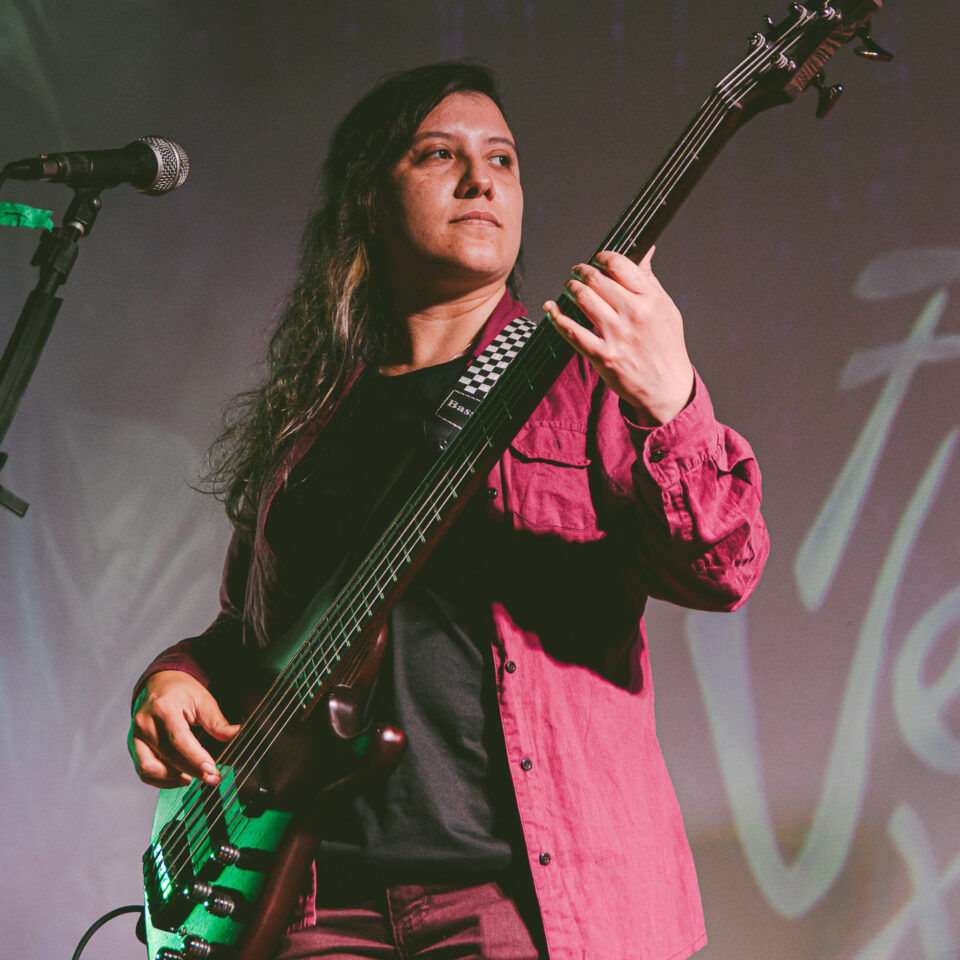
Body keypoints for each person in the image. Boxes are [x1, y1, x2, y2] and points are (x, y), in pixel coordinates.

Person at [128, 62, 769, 960]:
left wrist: (671, 403)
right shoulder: (310, 425)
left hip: (519, 899)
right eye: (440, 154)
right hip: (313, 901)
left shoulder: (582, 381)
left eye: (502, 160)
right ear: (369, 201)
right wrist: (174, 678)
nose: (481, 180)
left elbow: (722, 568)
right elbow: (255, 637)